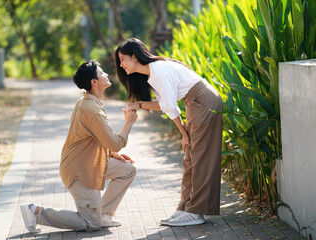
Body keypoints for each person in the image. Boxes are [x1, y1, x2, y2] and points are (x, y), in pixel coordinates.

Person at [115, 38, 223, 227]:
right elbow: (164, 104)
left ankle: (196, 212)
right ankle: (185, 208)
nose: (121, 64)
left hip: (203, 102)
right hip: (196, 103)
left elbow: (170, 107)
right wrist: (137, 104)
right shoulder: (153, 73)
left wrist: (184, 133)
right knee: (190, 157)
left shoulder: (159, 71)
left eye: (123, 59)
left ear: (134, 56)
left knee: (199, 156)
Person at [20, 60, 138, 233]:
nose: (106, 74)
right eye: (102, 72)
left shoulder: (88, 103)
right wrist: (129, 123)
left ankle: (103, 214)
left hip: (90, 164)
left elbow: (97, 139)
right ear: (94, 82)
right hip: (80, 171)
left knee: (128, 170)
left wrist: (111, 154)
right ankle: (35, 212)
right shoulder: (91, 109)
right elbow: (115, 142)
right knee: (91, 224)